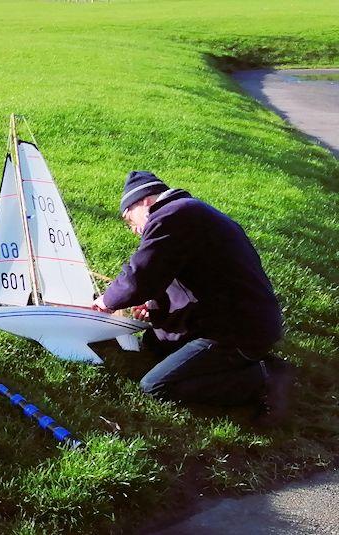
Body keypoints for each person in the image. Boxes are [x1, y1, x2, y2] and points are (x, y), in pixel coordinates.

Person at [92, 171, 293, 424]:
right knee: (155, 343)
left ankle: (263, 377)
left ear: (143, 201)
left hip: (235, 330)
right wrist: (152, 307)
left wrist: (106, 302)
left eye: (128, 219)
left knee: (155, 386)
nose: (133, 230)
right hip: (236, 317)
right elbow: (179, 278)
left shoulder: (171, 216)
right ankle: (242, 362)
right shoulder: (189, 213)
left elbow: (140, 276)